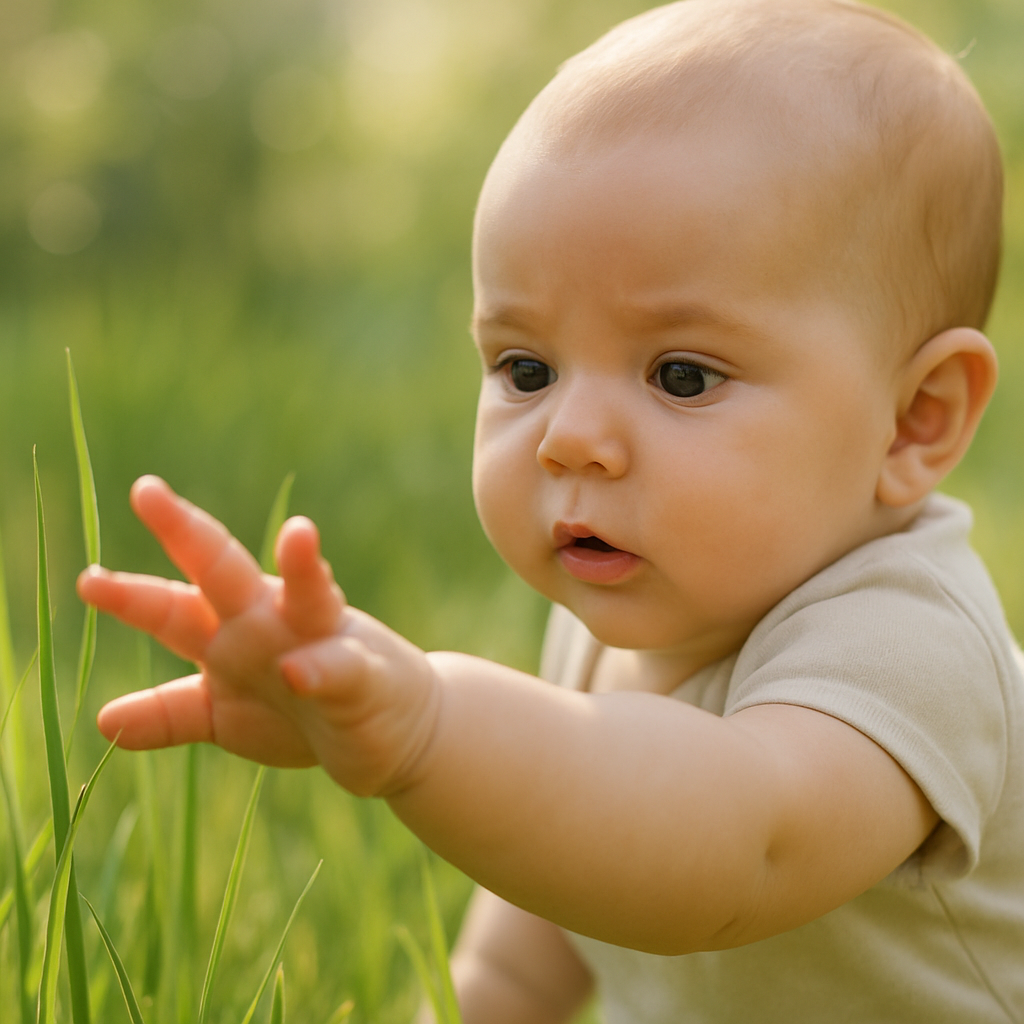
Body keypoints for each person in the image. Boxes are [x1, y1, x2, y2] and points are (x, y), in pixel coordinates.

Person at [78, 0, 1023, 1020]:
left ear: (913, 420)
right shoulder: (611, 622)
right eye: (525, 367)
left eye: (682, 375)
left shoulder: (911, 645)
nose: (568, 437)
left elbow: (737, 855)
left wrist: (431, 728)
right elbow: (520, 963)